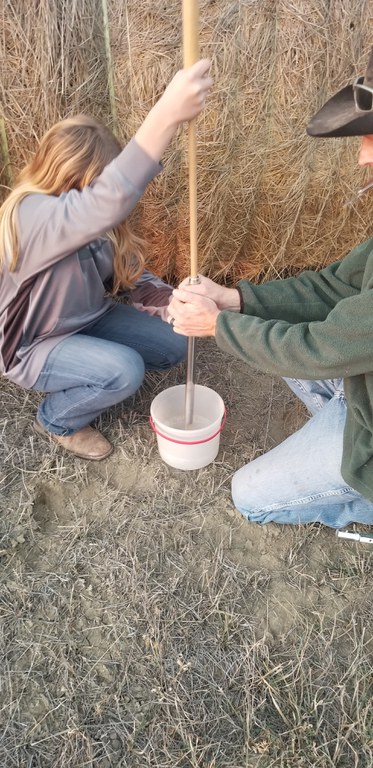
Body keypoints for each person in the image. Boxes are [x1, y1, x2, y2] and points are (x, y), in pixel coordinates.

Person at [168, 46, 373, 529]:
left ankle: (358, 481)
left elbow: (317, 350)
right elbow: (334, 288)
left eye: (372, 138)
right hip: (361, 377)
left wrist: (218, 326)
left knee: (250, 498)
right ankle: (340, 422)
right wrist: (235, 300)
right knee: (272, 327)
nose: (363, 157)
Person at [0, 59, 213, 461]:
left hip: (88, 319)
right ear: (69, 177)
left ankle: (92, 364)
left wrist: (172, 301)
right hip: (33, 345)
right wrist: (166, 114)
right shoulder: (30, 216)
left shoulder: (94, 222)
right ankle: (58, 419)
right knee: (124, 370)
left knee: (175, 342)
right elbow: (107, 202)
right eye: (99, 183)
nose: (109, 201)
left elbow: (129, 275)